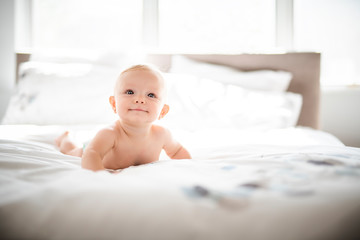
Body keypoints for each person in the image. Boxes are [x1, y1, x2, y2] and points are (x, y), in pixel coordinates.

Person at [56, 64, 191, 171]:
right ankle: (65, 138)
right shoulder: (109, 134)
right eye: (130, 92)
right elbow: (92, 154)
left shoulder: (162, 134)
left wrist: (190, 168)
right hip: (91, 148)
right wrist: (100, 177)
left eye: (151, 95)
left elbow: (177, 151)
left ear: (163, 111)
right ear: (114, 104)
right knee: (71, 151)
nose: (139, 99)